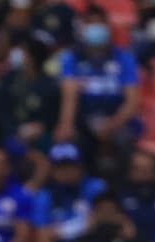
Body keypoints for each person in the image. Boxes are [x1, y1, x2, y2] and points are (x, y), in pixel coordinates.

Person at [54, 5, 139, 156]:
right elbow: (69, 96)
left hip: (117, 120)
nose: (96, 28)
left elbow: (132, 102)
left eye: (100, 23)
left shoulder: (124, 58)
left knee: (123, 140)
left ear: (108, 27)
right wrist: (66, 125)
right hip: (84, 120)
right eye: (90, 24)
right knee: (68, 142)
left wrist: (112, 124)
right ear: (82, 28)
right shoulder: (71, 57)